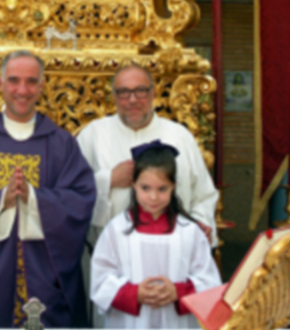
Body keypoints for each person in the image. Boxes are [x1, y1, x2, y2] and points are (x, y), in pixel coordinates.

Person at [0, 50, 95, 329]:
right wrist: (0, 200)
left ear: (42, 86)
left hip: (45, 274)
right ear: (0, 84)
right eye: (13, 80)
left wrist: (33, 198)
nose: (22, 90)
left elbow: (81, 198)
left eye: (31, 81)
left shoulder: (62, 144)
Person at [77, 64, 218, 245]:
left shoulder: (180, 136)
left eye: (141, 91)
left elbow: (204, 195)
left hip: (172, 248)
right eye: (124, 92)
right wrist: (108, 179)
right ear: (114, 97)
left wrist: (199, 224)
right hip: (110, 252)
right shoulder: (93, 135)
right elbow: (69, 190)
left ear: (153, 94)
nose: (133, 99)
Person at [91, 141, 221, 329]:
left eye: (162, 189)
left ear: (173, 187)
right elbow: (100, 281)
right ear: (133, 185)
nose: (153, 197)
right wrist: (135, 294)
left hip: (177, 327)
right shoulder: (116, 230)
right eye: (145, 188)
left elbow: (209, 283)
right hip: (130, 329)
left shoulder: (189, 232)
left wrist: (178, 292)